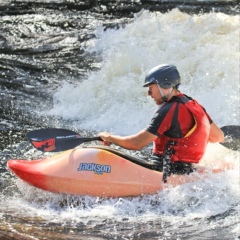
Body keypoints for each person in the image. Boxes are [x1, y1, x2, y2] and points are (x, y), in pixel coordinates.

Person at [99, 64, 224, 180]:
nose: (149, 94)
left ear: (164, 85)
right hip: (187, 171)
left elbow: (137, 144)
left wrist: (109, 137)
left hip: (164, 171)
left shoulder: (168, 110)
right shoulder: (195, 105)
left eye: (151, 88)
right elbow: (218, 137)